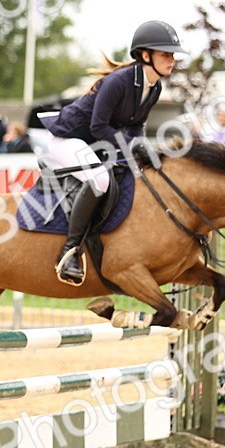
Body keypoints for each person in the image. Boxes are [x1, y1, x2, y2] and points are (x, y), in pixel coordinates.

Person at [40, 19, 187, 286]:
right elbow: (98, 127)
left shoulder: (154, 87)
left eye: (172, 55)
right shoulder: (118, 82)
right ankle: (70, 252)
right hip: (67, 139)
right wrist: (131, 146)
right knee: (100, 180)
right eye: (165, 54)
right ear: (145, 55)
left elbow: (136, 125)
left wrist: (141, 147)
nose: (172, 60)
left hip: (97, 143)